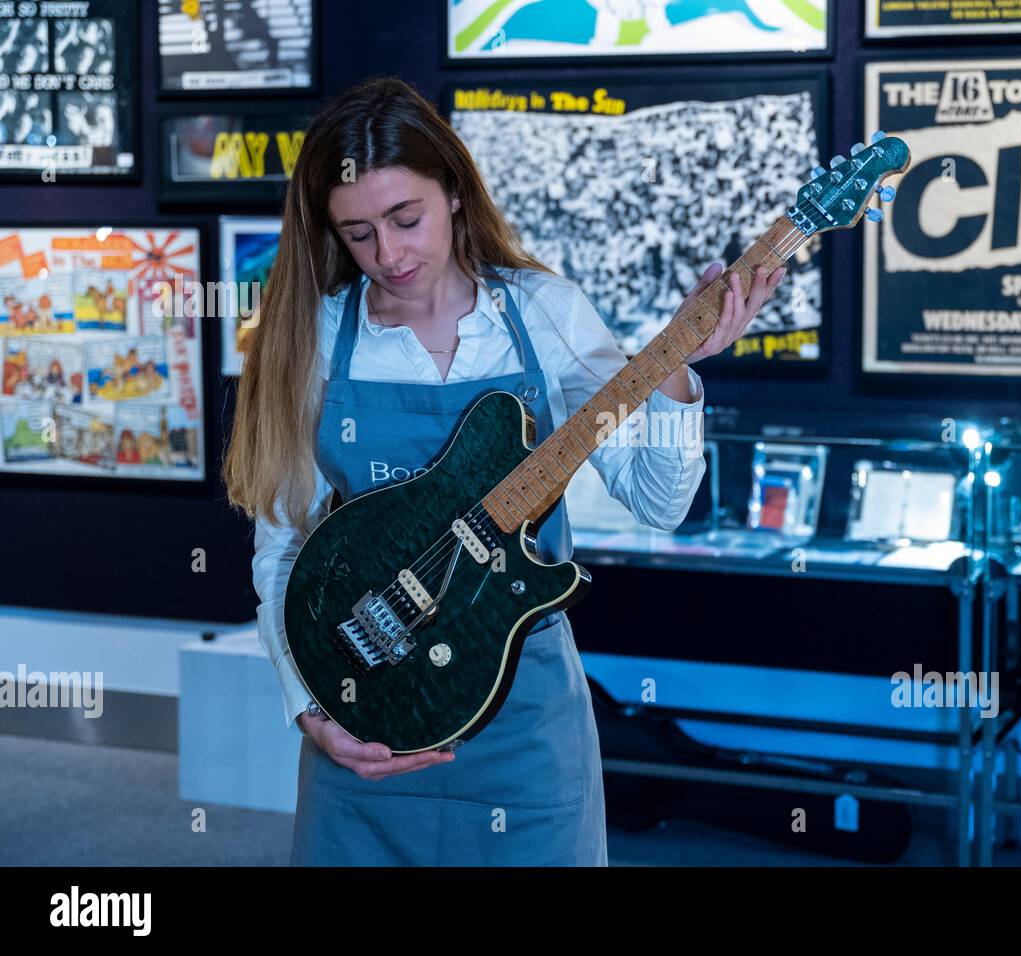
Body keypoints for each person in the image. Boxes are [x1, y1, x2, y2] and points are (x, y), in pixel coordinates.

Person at [222, 75, 786, 866]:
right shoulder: (309, 339)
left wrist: (675, 374)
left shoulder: (545, 314)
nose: (388, 255)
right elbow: (284, 547)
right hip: (365, 706)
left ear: (454, 191)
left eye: (405, 219)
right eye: (357, 234)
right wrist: (309, 707)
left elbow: (660, 505)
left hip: (523, 725)